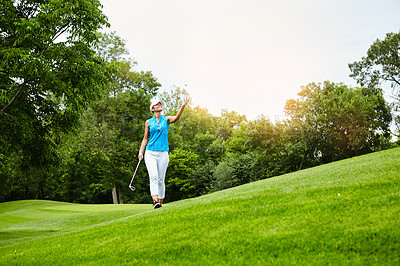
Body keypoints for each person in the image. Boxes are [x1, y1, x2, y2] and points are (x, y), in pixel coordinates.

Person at [138, 96, 191, 209]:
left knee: (161, 179)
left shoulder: (166, 119)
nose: (160, 105)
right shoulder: (148, 122)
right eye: (157, 104)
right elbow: (145, 138)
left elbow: (176, 118)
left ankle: (160, 203)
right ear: (152, 108)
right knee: (154, 177)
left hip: (163, 153)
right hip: (150, 152)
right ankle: (155, 201)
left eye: (160, 104)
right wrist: (141, 152)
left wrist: (183, 105)